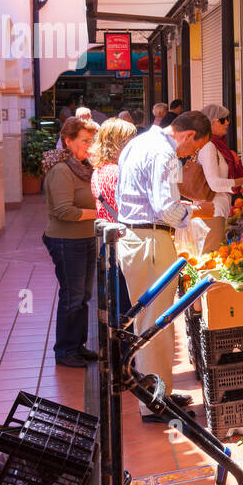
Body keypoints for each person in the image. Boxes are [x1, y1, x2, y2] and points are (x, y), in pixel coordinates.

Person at [115, 110, 214, 421]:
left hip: (136, 238)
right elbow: (165, 208)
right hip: (150, 241)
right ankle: (154, 403)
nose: (191, 156)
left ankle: (161, 392)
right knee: (154, 325)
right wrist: (195, 212)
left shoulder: (138, 142)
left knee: (152, 322)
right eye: (194, 149)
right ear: (186, 136)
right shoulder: (165, 153)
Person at [42, 116, 100, 368]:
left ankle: (78, 345)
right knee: (72, 296)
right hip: (66, 241)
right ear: (68, 141)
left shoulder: (84, 167)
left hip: (86, 238)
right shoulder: (61, 171)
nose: (90, 146)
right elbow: (64, 210)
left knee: (84, 295)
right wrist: (100, 214)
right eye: (85, 141)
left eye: (92, 141)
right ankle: (65, 350)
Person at [90, 117, 139, 318]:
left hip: (109, 244)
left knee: (115, 309)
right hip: (124, 244)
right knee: (127, 309)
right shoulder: (119, 172)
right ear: (118, 143)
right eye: (130, 140)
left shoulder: (99, 170)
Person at [197, 104, 243, 253]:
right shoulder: (209, 147)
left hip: (219, 210)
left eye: (227, 119)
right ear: (210, 122)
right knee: (210, 258)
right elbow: (215, 184)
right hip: (212, 212)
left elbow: (222, 177)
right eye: (222, 120)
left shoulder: (219, 147)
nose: (227, 122)